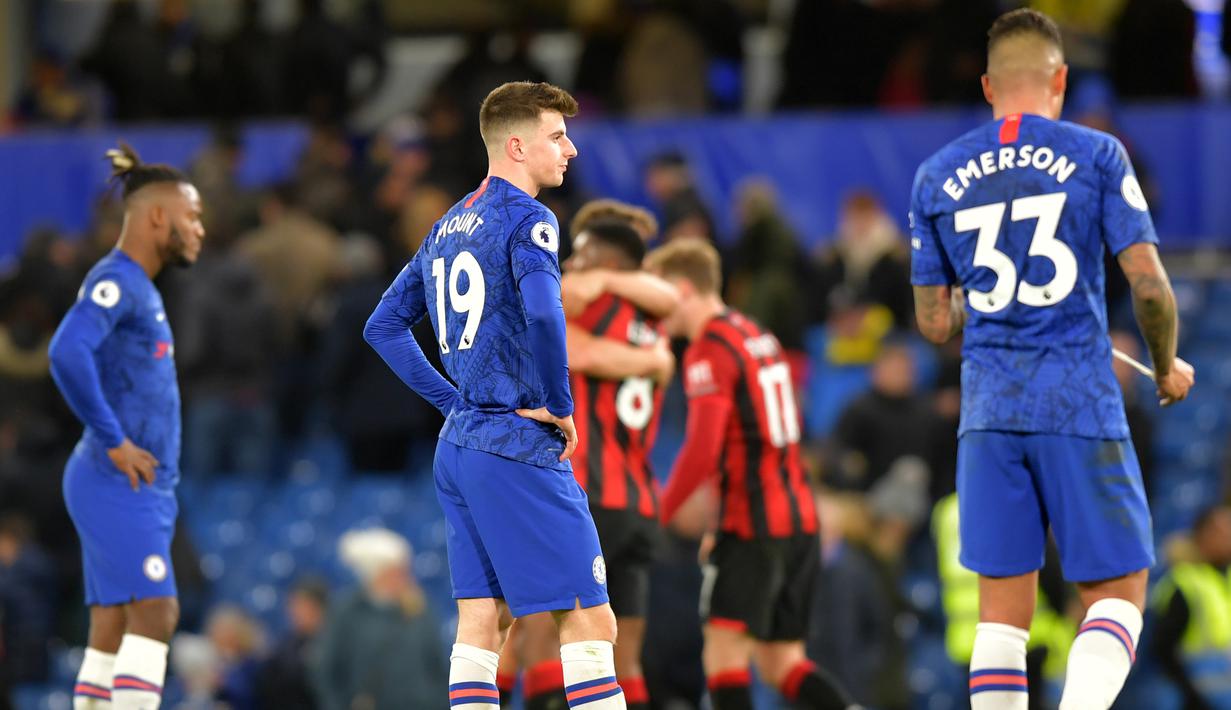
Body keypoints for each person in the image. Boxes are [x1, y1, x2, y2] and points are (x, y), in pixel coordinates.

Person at [908, 9, 1195, 710]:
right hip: (1076, 400)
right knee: (1119, 590)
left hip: (987, 410)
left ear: (985, 86)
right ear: (1059, 80)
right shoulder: (1096, 154)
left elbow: (933, 323)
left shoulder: (935, 175)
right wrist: (1164, 366)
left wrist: (983, 302)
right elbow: (1150, 288)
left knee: (1000, 613)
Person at [364, 81, 626, 709]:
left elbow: (383, 326)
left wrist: (454, 401)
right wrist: (560, 405)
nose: (570, 149)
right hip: (514, 444)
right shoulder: (531, 220)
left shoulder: (446, 225)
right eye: (556, 137)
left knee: (485, 622)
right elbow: (543, 316)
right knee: (591, 622)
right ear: (517, 145)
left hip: (458, 449)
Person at [646, 238, 857, 710]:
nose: (655, 309)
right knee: (782, 663)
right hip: (799, 517)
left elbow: (703, 449)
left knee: (724, 657)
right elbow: (753, 438)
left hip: (755, 523)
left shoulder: (709, 348)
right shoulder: (755, 333)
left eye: (658, 294)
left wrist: (658, 513)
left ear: (681, 289)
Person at [48, 143, 205, 710]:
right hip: (117, 481)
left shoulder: (141, 286)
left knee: (111, 628)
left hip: (131, 485)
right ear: (158, 216)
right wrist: (114, 441)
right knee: (157, 612)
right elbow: (67, 351)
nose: (200, 229)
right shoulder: (117, 279)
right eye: (192, 215)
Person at [513, 214, 678, 710]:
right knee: (624, 660)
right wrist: (654, 361)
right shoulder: (653, 325)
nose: (570, 262)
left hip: (586, 498)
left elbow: (571, 349)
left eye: (581, 253)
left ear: (606, 262)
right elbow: (669, 300)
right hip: (639, 504)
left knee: (540, 641)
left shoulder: (588, 305)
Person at [314, 529, 448, 710]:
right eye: (397, 572)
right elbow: (328, 670)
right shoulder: (347, 612)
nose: (405, 579)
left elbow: (438, 666)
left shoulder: (420, 610)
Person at [1149, 505, 1231, 710]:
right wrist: (1192, 694)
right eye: (1221, 530)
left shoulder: (1226, 578)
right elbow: (1163, 648)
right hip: (1195, 700)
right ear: (1202, 535)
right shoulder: (1183, 582)